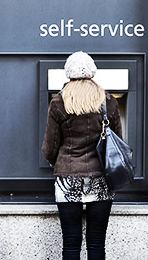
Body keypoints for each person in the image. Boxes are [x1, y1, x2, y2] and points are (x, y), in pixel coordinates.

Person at [41, 51, 122, 260]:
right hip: (101, 177)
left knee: (71, 242)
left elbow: (49, 147)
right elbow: (118, 142)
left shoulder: (59, 103)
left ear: (69, 74)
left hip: (67, 177)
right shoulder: (109, 102)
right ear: (92, 72)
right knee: (96, 243)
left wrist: (57, 161)